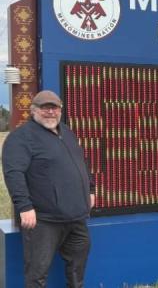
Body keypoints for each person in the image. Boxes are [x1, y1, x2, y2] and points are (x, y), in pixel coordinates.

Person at [2, 90, 95, 288]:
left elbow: (81, 162)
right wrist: (24, 206)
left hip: (76, 217)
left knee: (78, 265)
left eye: (54, 108)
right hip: (44, 221)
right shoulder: (21, 138)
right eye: (45, 108)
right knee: (37, 272)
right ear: (33, 111)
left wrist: (91, 189)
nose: (51, 112)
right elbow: (14, 173)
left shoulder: (67, 132)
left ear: (60, 110)